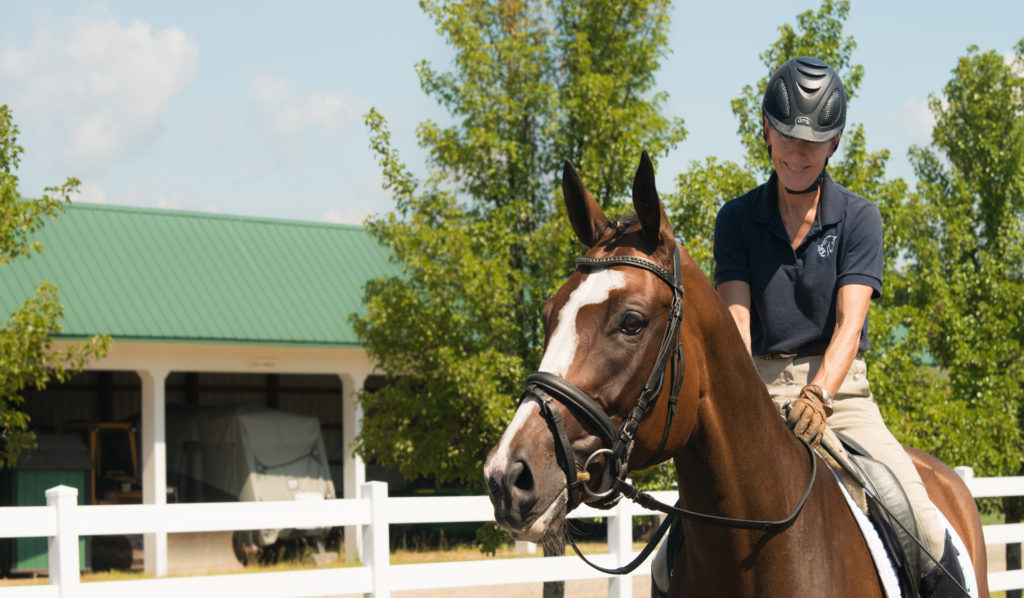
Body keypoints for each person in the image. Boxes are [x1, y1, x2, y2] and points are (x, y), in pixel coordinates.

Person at [712, 56, 965, 597]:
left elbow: (849, 327)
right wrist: (741, 398)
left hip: (839, 393)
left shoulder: (858, 217)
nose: (797, 152)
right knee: (673, 555)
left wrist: (819, 395)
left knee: (917, 521)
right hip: (756, 387)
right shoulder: (735, 219)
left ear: (835, 144)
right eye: (786, 135)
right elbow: (736, 322)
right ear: (766, 131)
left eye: (813, 140)